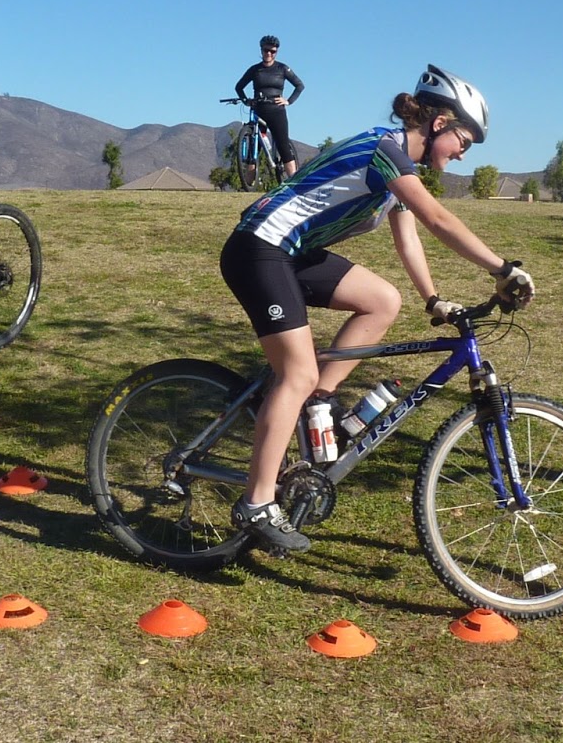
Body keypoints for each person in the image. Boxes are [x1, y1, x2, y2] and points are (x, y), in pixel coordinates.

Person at [219, 64, 535, 552]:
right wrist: (501, 268)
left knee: (383, 300)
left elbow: (410, 237)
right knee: (296, 373)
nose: (460, 154)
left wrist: (432, 300)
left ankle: (315, 403)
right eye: (462, 142)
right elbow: (436, 216)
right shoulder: (384, 149)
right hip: (260, 247)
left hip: (290, 253)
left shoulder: (399, 172)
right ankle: (257, 502)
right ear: (438, 124)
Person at [234, 35, 304, 178]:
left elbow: (299, 85)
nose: (269, 54)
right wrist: (245, 100)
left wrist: (288, 101)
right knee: (254, 148)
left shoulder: (282, 68)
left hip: (276, 111)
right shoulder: (254, 70)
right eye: (266, 50)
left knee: (283, 145)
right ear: (261, 50)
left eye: (273, 51)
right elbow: (239, 87)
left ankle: (294, 183)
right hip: (258, 109)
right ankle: (248, 185)